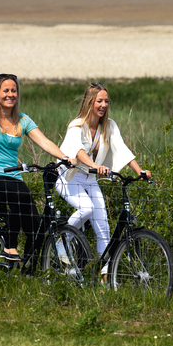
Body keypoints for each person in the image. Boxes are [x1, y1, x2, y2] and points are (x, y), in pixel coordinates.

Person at [0, 57, 70, 263]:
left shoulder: (23, 120)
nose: (10, 94)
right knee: (22, 195)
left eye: (14, 91)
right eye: (6, 90)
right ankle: (9, 246)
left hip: (13, 181)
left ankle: (29, 269)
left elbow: (44, 142)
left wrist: (64, 158)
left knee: (35, 229)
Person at [55, 82, 150, 273]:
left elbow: (122, 149)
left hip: (91, 179)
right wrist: (95, 166)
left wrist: (139, 171)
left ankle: (105, 276)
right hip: (69, 178)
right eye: (99, 101)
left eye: (106, 101)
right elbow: (78, 151)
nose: (103, 105)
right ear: (89, 102)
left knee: (103, 229)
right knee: (87, 208)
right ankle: (61, 242)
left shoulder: (109, 126)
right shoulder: (76, 126)